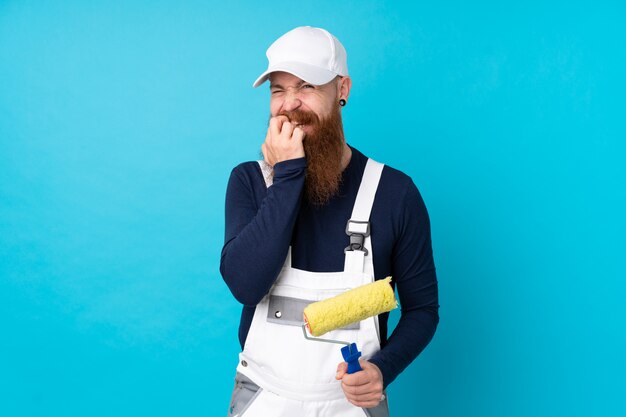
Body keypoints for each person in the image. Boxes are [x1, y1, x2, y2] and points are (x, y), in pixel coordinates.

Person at [220, 26, 439, 417]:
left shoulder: (394, 193)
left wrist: (382, 370)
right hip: (263, 399)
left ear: (342, 90)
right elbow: (245, 285)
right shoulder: (249, 182)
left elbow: (423, 310)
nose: (289, 105)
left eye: (305, 87)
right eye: (277, 90)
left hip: (352, 406)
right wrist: (287, 175)